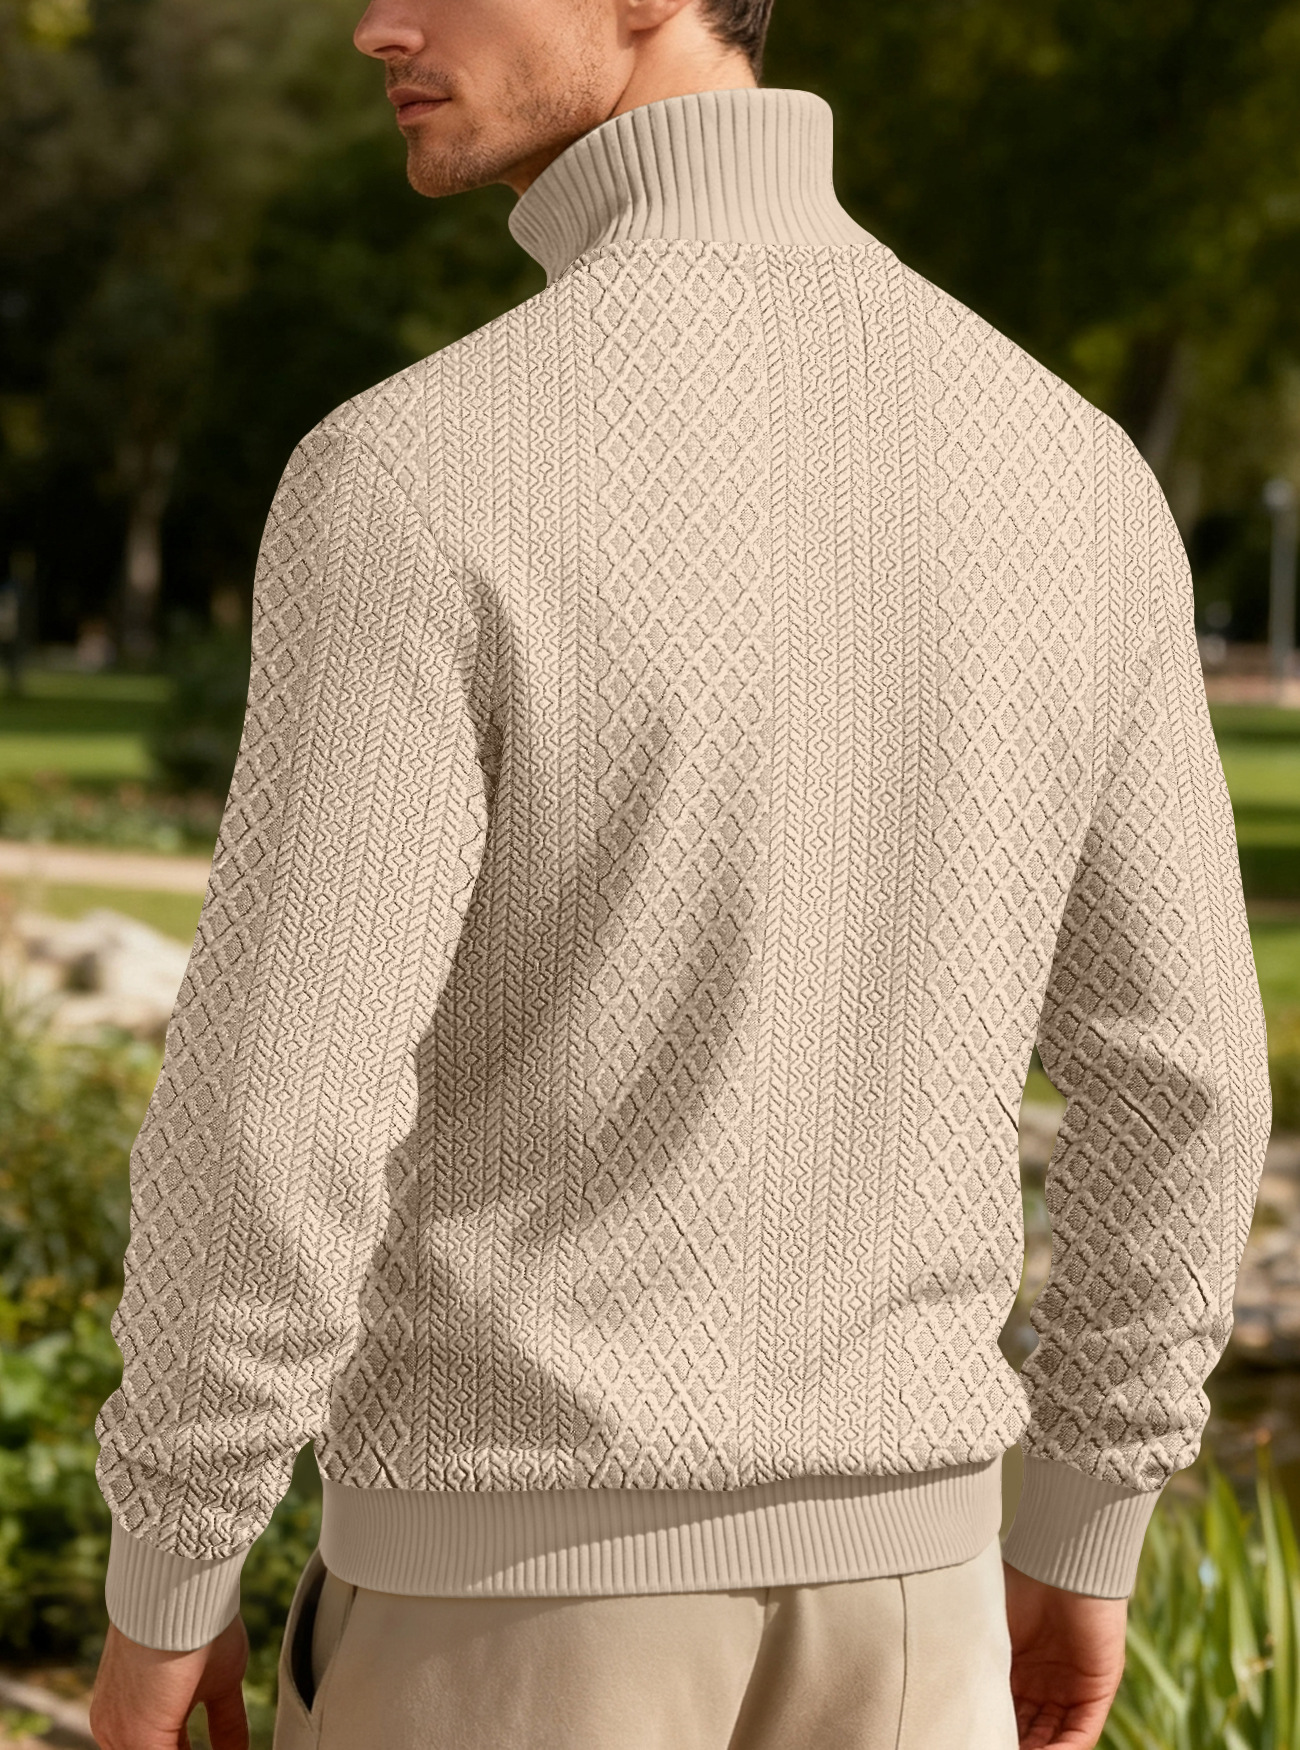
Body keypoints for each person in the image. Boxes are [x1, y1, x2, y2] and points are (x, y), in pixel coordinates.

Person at [87, 1, 1274, 1746]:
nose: (373, 26)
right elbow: (1189, 1074)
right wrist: (1089, 1514)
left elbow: (280, 1099)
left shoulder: (412, 471)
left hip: (503, 1625)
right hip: (919, 1627)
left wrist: (175, 1559)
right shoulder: (1073, 464)